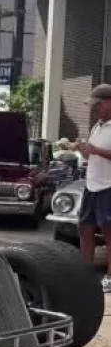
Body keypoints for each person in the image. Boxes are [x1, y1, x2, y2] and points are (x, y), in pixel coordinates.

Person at [77, 82, 111, 294]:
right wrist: (84, 150)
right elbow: (92, 155)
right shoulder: (97, 126)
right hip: (92, 186)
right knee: (84, 229)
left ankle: (109, 277)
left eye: (97, 104)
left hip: (109, 187)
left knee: (109, 234)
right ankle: (86, 274)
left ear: (109, 102)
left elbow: (100, 152)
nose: (95, 108)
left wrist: (95, 149)